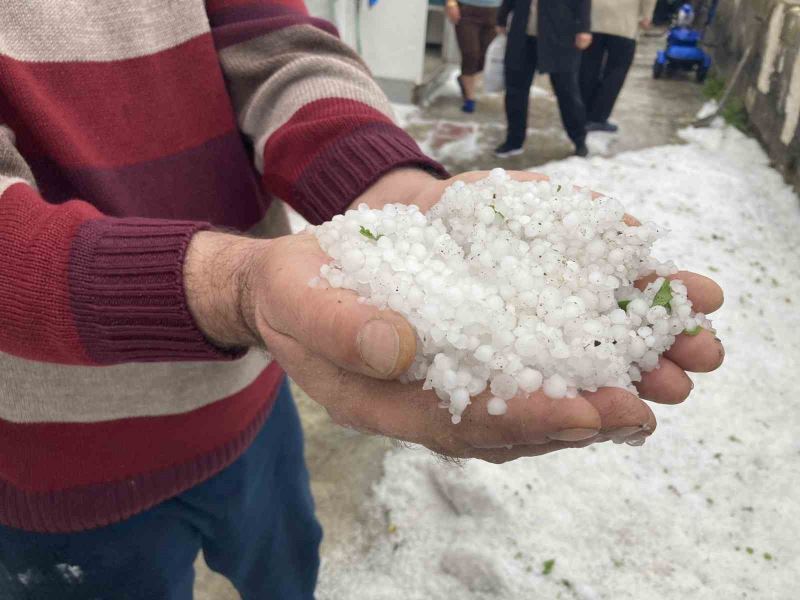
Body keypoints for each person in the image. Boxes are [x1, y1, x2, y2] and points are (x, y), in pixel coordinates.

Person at [0, 1, 725, 598]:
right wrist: (231, 287)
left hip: (249, 399)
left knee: (288, 573)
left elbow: (279, 52)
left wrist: (395, 192)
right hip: (54, 456)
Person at [494, 0, 593, 158]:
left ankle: (579, 139)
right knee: (515, 91)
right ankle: (514, 140)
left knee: (567, 91)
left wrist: (584, 28)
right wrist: (501, 18)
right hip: (522, 35)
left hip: (560, 35)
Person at [580, 0, 656, 132]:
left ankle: (582, 114)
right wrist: (646, 15)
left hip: (594, 17)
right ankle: (598, 117)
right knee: (617, 70)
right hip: (624, 21)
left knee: (588, 68)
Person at [445, 0, 502, 113]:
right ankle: (470, 98)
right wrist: (451, 3)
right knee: (470, 54)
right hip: (467, 9)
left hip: (495, 10)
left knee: (488, 56)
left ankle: (464, 78)